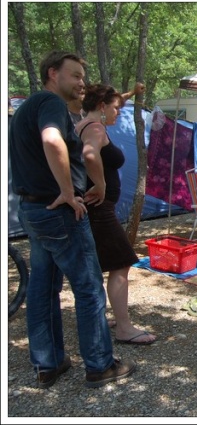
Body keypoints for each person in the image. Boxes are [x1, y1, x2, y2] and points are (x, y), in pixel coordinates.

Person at [8, 50, 136, 389]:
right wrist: (68, 190)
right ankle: (99, 364)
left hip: (33, 210)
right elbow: (52, 141)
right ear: (53, 73)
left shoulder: (25, 110)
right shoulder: (50, 105)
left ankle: (48, 363)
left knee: (43, 287)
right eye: (76, 75)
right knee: (89, 287)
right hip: (60, 211)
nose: (82, 83)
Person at [77, 83, 157, 345]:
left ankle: (105, 315)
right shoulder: (96, 128)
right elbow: (90, 155)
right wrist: (100, 184)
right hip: (100, 209)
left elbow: (111, 100)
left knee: (100, 265)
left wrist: (131, 94)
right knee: (121, 263)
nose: (119, 113)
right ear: (101, 107)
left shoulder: (81, 123)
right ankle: (124, 328)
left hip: (95, 209)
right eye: (115, 108)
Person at [68, 82, 145, 125]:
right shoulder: (65, 116)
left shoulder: (89, 112)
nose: (83, 96)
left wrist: (134, 92)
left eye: (85, 93)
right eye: (80, 93)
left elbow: (112, 101)